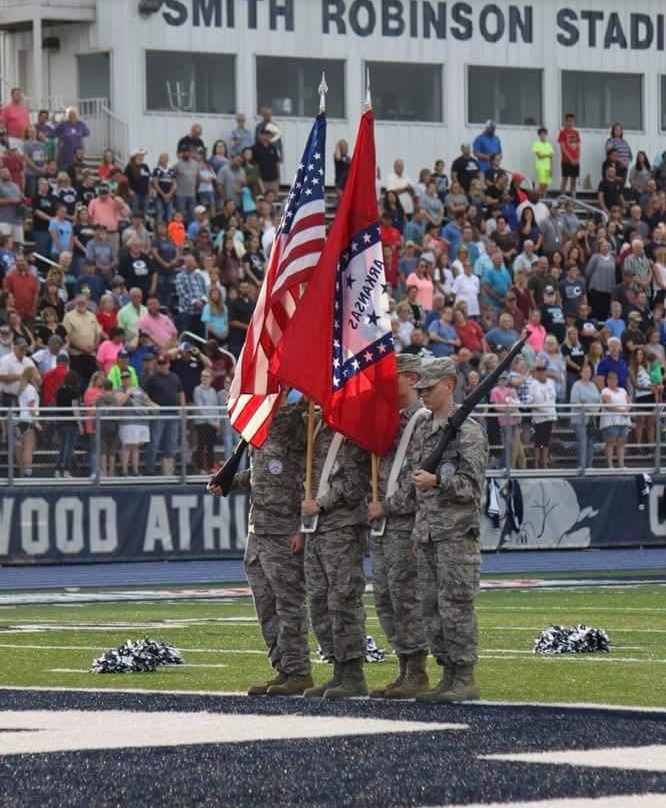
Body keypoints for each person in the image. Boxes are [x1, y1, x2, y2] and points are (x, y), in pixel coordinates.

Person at [395, 357, 488, 702]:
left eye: (429, 389)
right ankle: (446, 674)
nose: (422, 395)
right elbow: (416, 488)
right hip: (429, 535)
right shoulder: (423, 429)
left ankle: (464, 676)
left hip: (456, 536)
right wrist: (419, 530)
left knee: (455, 607)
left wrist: (438, 481)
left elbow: (472, 488)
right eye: (418, 389)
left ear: (449, 385)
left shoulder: (468, 431)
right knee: (431, 610)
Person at [209, 395, 311, 696]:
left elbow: (307, 476)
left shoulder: (294, 425)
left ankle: (298, 671)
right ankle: (282, 668)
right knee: (265, 603)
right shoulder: (259, 429)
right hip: (259, 529)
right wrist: (230, 481)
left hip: (284, 531)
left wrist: (302, 530)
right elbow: (263, 474)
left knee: (288, 604)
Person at [365, 354, 429, 699]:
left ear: (413, 378)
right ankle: (403, 665)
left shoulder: (421, 421)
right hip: (381, 524)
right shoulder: (386, 420)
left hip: (403, 522)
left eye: (395, 375)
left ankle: (416, 670)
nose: (387, 382)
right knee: (385, 599)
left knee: (406, 597)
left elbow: (416, 478)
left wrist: (386, 506)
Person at [300, 415, 369, 699]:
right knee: (318, 600)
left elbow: (356, 481)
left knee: (342, 599)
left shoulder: (350, 427)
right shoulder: (315, 426)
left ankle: (352, 672)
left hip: (340, 527)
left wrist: (321, 504)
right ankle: (337, 668)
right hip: (315, 529)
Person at [142, 353, 184, 476]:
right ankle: (149, 470)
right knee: (154, 442)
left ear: (168, 364)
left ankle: (168, 472)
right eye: (159, 364)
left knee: (171, 443)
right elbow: (143, 394)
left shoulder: (175, 377)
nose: (161, 366)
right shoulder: (152, 378)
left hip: (173, 413)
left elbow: (181, 392)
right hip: (158, 414)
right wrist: (151, 404)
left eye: (163, 363)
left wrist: (182, 407)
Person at [117, 369, 156, 476]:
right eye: (123, 378)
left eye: (127, 378)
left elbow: (146, 400)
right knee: (126, 446)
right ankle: (124, 470)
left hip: (142, 421)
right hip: (128, 422)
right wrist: (128, 393)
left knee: (135, 447)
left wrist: (151, 405)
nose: (126, 380)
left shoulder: (139, 389)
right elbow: (118, 404)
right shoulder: (119, 390)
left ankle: (135, 471)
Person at [570, 362, 601, 468]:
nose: (587, 373)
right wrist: (589, 408)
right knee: (582, 442)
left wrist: (596, 409)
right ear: (581, 373)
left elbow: (598, 399)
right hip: (579, 419)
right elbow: (575, 402)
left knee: (590, 443)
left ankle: (589, 466)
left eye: (589, 371)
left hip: (591, 419)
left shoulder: (593, 385)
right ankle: (581, 467)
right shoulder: (576, 385)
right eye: (585, 371)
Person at [54, 370, 83, 478]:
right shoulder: (75, 391)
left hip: (60, 421)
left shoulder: (59, 390)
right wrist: (79, 423)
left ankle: (57, 470)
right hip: (70, 422)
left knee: (62, 447)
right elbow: (75, 407)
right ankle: (65, 469)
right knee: (69, 447)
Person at [600, 369, 631, 468]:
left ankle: (621, 464)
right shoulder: (605, 390)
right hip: (611, 422)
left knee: (622, 443)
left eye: (615, 379)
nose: (613, 381)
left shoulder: (623, 390)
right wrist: (621, 411)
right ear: (607, 380)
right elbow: (607, 406)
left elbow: (629, 402)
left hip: (623, 421)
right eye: (611, 379)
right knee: (610, 443)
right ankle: (610, 465)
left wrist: (626, 409)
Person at [15, 365, 41, 477]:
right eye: (36, 373)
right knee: (29, 446)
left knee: (20, 444)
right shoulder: (30, 388)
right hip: (28, 420)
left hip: (22, 419)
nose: (38, 375)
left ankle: (22, 469)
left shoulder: (24, 388)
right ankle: (27, 471)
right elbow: (31, 406)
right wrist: (36, 422)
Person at [531, 360, 557, 469]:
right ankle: (536, 462)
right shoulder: (533, 384)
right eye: (539, 371)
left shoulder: (551, 382)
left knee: (546, 441)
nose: (541, 373)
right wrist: (540, 410)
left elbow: (553, 398)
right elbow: (530, 402)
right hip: (539, 417)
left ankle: (545, 462)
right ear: (536, 373)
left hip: (550, 415)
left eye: (543, 370)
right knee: (538, 442)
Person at [558, 113, 581, 197]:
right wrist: (571, 158)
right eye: (568, 121)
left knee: (574, 180)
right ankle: (562, 197)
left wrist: (578, 158)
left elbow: (578, 146)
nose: (570, 123)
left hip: (575, 161)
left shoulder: (576, 133)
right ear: (566, 121)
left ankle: (573, 199)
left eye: (572, 121)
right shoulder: (562, 132)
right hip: (566, 160)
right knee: (565, 179)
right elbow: (563, 148)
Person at [532, 127, 553, 196]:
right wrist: (547, 155)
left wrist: (551, 168)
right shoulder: (536, 144)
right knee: (542, 185)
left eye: (544, 134)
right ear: (539, 135)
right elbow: (539, 156)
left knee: (546, 185)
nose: (543, 135)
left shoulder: (549, 145)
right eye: (541, 134)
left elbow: (551, 158)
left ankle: (544, 199)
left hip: (548, 167)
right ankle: (536, 197)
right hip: (540, 167)